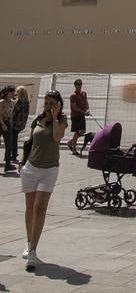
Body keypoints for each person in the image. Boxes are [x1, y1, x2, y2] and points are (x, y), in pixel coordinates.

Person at [19, 89, 68, 270]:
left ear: (59, 105)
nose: (48, 107)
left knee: (40, 209)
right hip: (31, 167)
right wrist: (22, 163)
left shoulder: (62, 121)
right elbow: (29, 143)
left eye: (52, 104)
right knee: (30, 208)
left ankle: (33, 252)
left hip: (49, 170)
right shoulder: (37, 120)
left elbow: (57, 137)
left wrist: (55, 117)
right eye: (46, 103)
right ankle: (29, 242)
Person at [67, 79, 89, 154]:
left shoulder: (84, 93)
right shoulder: (73, 96)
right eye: (78, 84)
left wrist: (87, 110)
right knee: (77, 132)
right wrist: (83, 112)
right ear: (75, 85)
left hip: (82, 115)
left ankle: (70, 142)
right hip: (75, 116)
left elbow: (86, 102)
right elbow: (74, 107)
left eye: (81, 84)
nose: (80, 86)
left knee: (83, 131)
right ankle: (74, 149)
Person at [11, 86, 31, 163]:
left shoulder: (19, 102)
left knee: (13, 140)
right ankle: (13, 154)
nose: (16, 93)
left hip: (15, 124)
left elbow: (14, 113)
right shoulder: (26, 102)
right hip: (21, 124)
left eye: (18, 92)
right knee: (14, 139)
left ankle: (14, 155)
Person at [0, 85, 16, 173]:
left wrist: (11, 123)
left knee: (9, 144)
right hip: (1, 123)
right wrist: (3, 124)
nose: (13, 93)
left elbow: (11, 114)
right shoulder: (1, 102)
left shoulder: (12, 102)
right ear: (7, 93)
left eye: (13, 92)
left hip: (8, 123)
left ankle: (7, 164)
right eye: (11, 92)